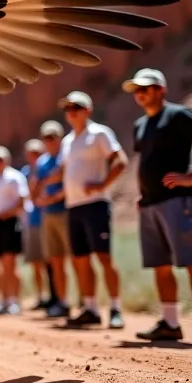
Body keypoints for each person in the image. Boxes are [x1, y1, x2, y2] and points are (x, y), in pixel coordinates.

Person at [124, 69, 192, 346]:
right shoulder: (140, 125)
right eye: (136, 91)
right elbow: (145, 162)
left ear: (161, 90)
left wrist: (191, 177)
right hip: (150, 203)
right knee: (161, 266)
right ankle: (170, 323)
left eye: (145, 88)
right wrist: (141, 194)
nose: (139, 94)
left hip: (177, 202)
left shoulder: (179, 115)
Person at [57, 91, 126, 329]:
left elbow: (120, 161)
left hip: (96, 205)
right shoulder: (67, 141)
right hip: (73, 206)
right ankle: (91, 308)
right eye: (67, 109)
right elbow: (65, 171)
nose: (71, 112)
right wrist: (45, 189)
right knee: (80, 260)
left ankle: (116, 309)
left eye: (75, 107)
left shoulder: (99, 133)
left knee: (104, 257)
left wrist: (102, 185)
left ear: (88, 110)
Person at [0, 146, 29, 315]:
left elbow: (22, 201)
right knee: (0, 264)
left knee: (10, 263)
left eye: (0, 159)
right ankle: (3, 299)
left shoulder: (15, 177)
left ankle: (14, 300)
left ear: (6, 160)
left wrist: (6, 213)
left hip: (11, 223)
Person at [34, 120, 71, 318]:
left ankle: (85, 301)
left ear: (59, 138)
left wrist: (55, 197)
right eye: (45, 138)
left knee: (75, 259)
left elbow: (69, 180)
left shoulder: (66, 156)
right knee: (55, 261)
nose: (49, 141)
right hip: (48, 214)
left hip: (66, 211)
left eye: (52, 137)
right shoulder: (42, 162)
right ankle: (62, 302)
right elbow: (37, 185)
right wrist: (39, 200)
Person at [20, 139, 51, 311]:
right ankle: (40, 296)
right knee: (35, 262)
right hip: (30, 221)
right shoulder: (24, 173)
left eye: (36, 153)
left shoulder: (46, 167)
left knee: (50, 262)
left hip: (45, 218)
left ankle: (51, 296)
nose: (34, 156)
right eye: (31, 153)